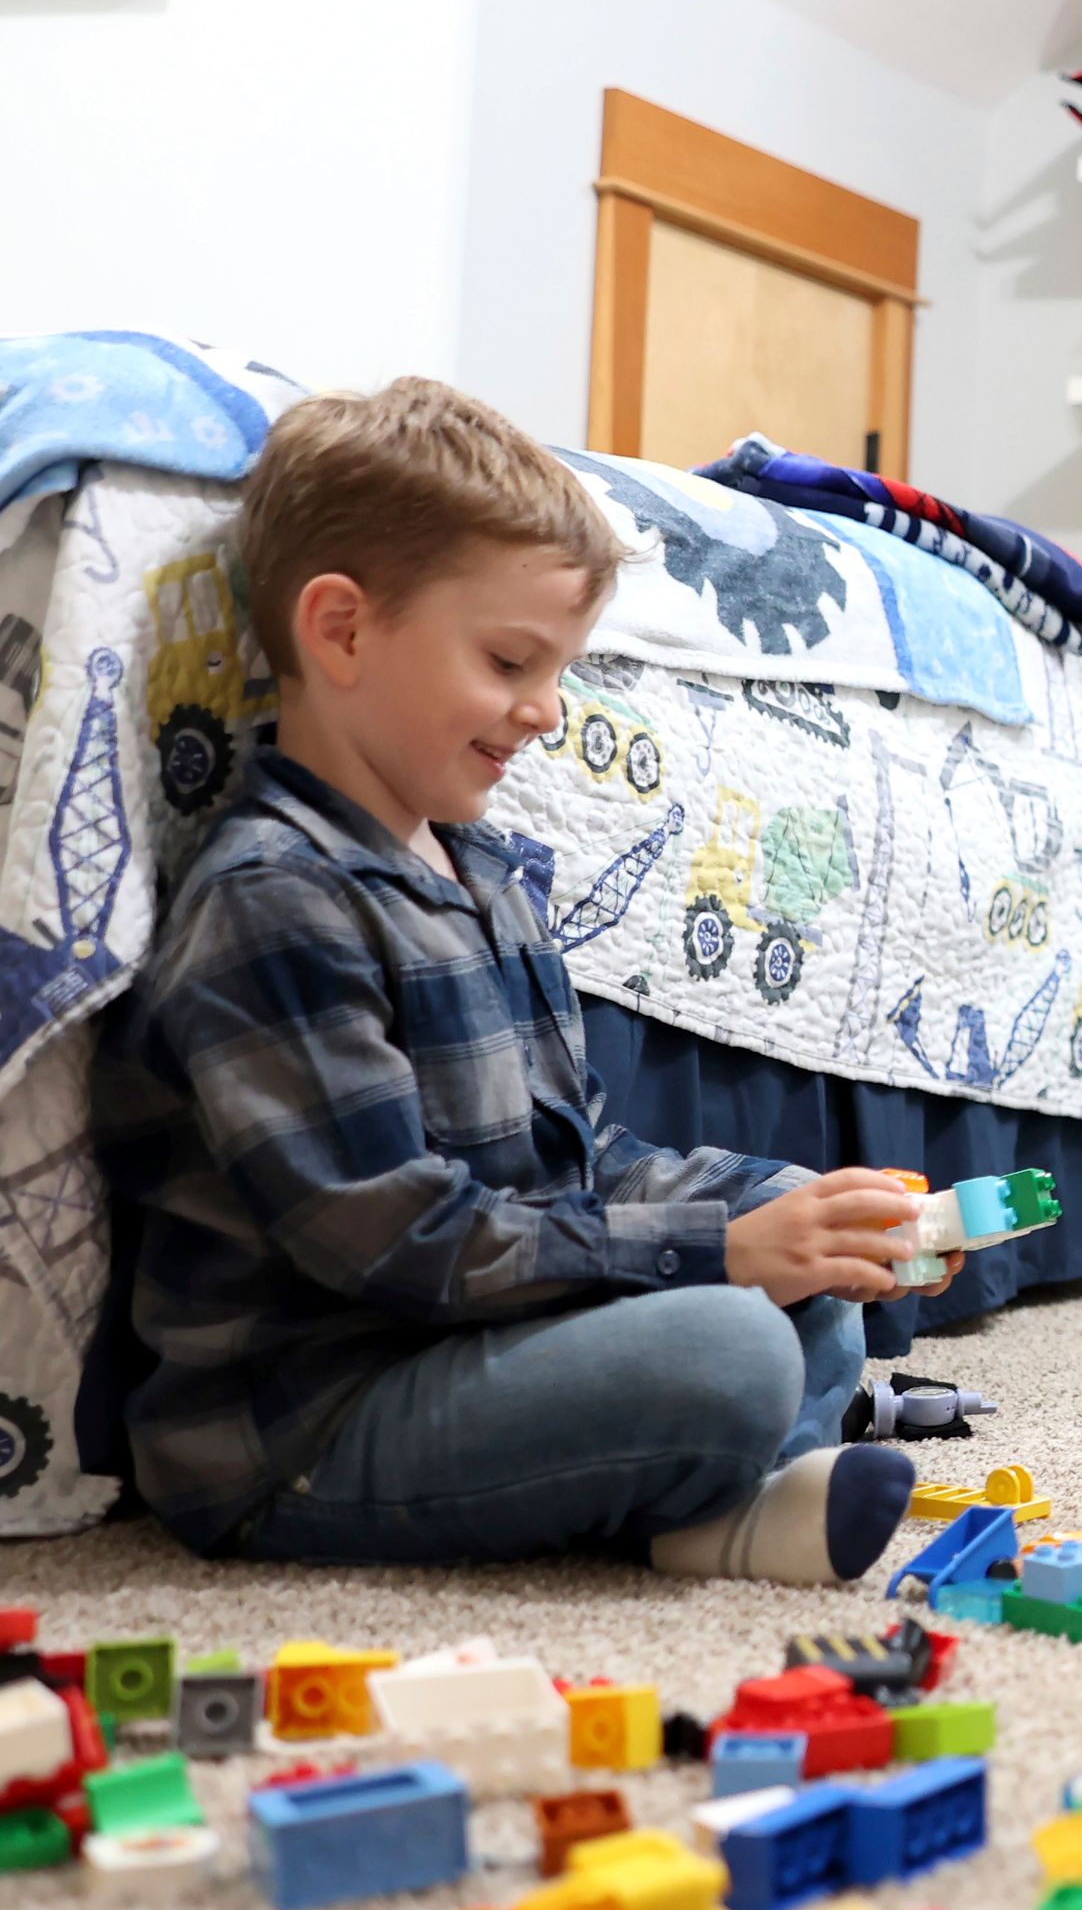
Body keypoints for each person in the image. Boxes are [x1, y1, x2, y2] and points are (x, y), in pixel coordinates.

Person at [94, 378, 954, 1586]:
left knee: (806, 1265)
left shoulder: (487, 872)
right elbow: (398, 1241)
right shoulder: (273, 899)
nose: (546, 711)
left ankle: (711, 1507)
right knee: (731, 1348)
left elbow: (580, 1158)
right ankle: (714, 1496)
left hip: (486, 1333)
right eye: (511, 660)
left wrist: (794, 1209)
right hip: (310, 1421)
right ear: (340, 630)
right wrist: (715, 1251)